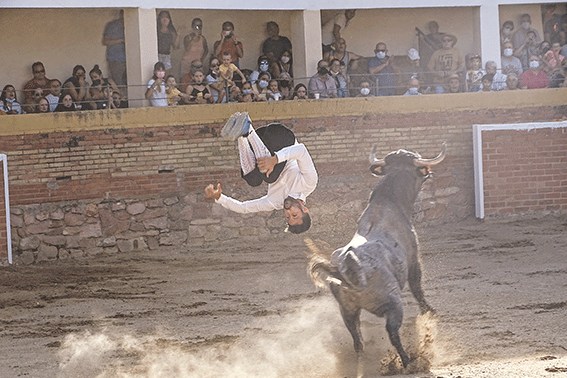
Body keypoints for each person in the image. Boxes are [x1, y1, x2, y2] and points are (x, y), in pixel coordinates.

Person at [205, 112, 318, 234]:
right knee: (270, 177)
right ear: (305, 209)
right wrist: (275, 160)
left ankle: (243, 135)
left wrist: (219, 198)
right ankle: (247, 128)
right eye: (294, 215)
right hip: (281, 137)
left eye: (287, 217)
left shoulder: (274, 201)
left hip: (260, 142)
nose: (288, 212)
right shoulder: (309, 183)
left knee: (253, 180)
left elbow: (244, 208)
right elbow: (301, 150)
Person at [102, 10, 127, 95]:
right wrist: (121, 40)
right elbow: (105, 41)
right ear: (120, 15)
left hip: (129, 59)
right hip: (115, 60)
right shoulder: (112, 26)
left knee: (129, 83)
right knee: (118, 83)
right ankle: (120, 101)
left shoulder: (129, 25)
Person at [157, 10, 181, 76]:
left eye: (167, 17)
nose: (165, 19)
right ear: (159, 19)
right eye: (162, 17)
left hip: (166, 56)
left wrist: (178, 35)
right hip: (157, 55)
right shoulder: (156, 30)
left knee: (167, 74)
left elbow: (175, 46)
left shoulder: (171, 32)